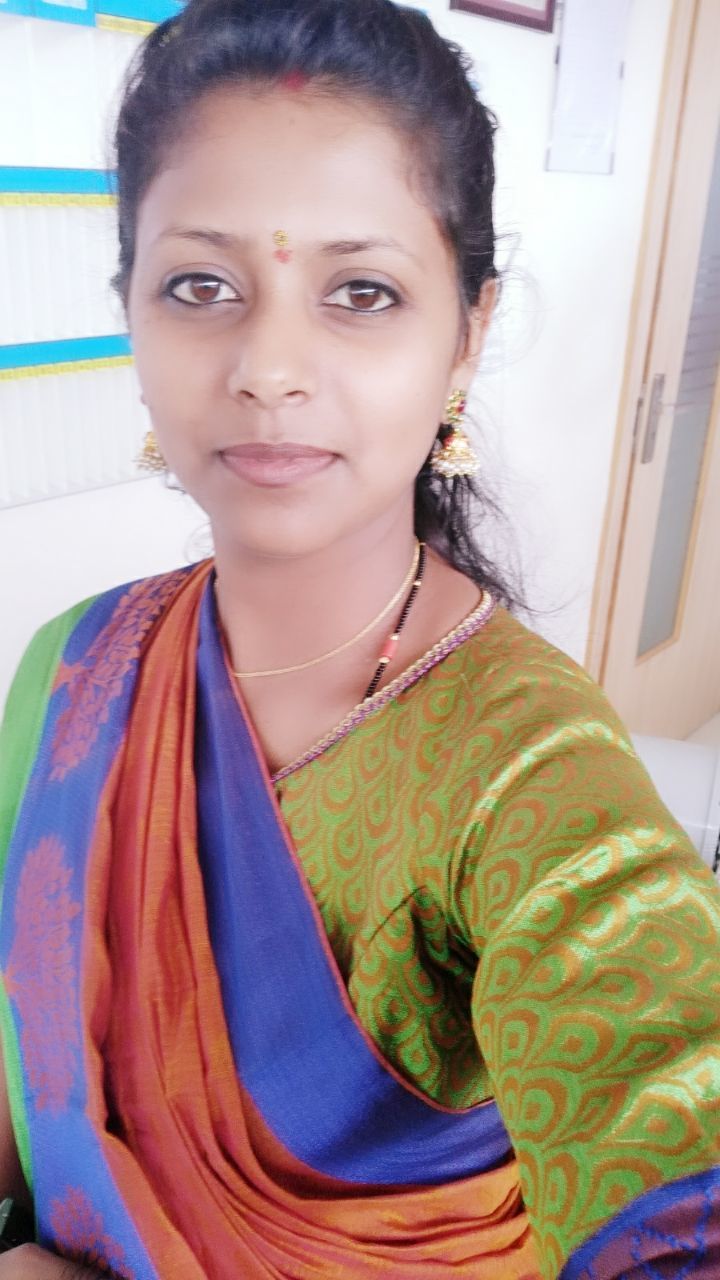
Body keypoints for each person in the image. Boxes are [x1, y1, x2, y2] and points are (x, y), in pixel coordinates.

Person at [0, 0, 719, 1275]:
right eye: (202, 285)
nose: (269, 366)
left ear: (468, 335)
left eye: (362, 291)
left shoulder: (533, 773)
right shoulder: (75, 664)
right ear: (132, 311)